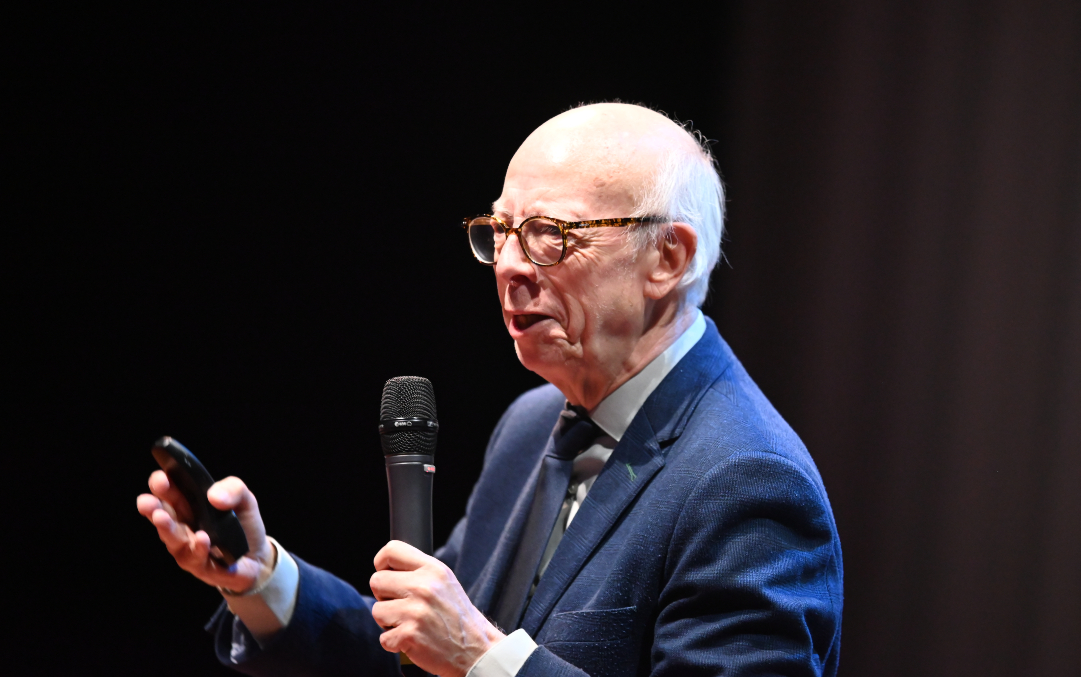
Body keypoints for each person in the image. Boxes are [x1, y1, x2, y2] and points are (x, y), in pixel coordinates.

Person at [137, 102, 844, 676]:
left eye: (547, 235)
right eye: (500, 231)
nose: (508, 264)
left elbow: (466, 651)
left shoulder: (748, 481)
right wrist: (261, 578)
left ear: (668, 257)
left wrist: (485, 658)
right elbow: (420, 649)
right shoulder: (532, 425)